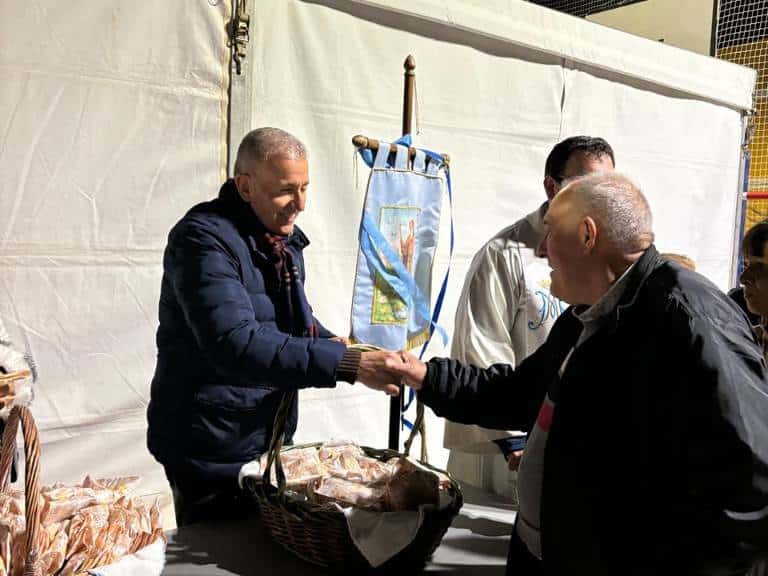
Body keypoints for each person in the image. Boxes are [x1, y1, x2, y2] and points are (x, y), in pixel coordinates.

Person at [383, 172, 768, 575]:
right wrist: (423, 375)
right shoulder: (586, 314)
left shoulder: (689, 320)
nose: (542, 251)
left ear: (587, 235)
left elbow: (750, 490)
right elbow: (518, 394)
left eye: (550, 233)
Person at [146, 127, 397, 526]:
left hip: (263, 435)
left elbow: (282, 318)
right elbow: (236, 341)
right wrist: (347, 364)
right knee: (218, 558)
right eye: (286, 190)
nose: (300, 204)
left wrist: (327, 338)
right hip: (210, 447)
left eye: (305, 188)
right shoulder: (201, 240)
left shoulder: (279, 241)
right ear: (245, 186)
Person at [445, 136, 614, 499]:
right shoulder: (505, 254)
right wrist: (516, 442)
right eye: (585, 185)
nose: (598, 198)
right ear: (552, 187)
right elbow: (481, 344)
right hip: (509, 440)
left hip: (569, 440)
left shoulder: (604, 248)